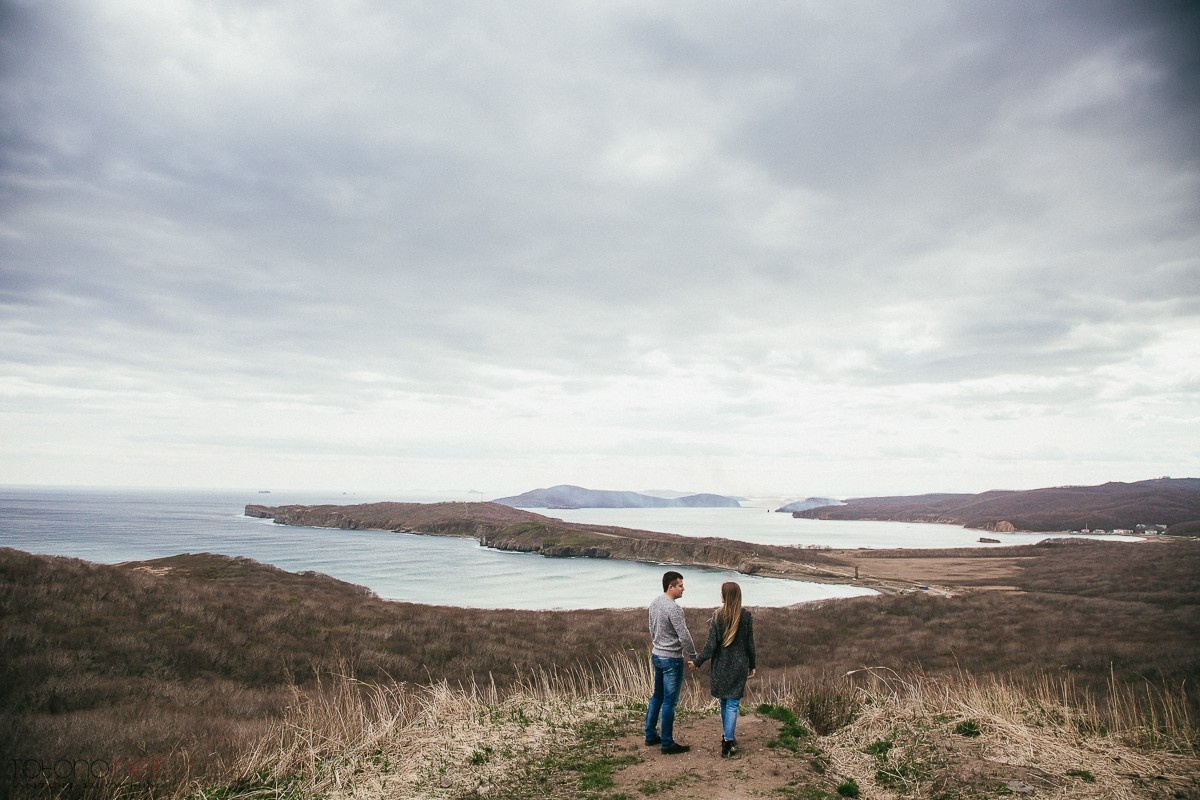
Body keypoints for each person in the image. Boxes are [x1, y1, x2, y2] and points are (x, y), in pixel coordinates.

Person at [691, 581, 756, 757]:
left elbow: (710, 646)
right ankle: (728, 740)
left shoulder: (717, 616)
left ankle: (727, 737)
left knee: (724, 702)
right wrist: (752, 665)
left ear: (725, 596)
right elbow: (750, 644)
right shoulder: (746, 616)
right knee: (732, 703)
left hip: (721, 666)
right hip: (739, 666)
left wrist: (697, 662)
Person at [645, 570, 697, 755]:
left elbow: (651, 628)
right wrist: (694, 656)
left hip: (657, 655)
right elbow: (684, 635)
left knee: (657, 696)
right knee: (669, 702)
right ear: (671, 587)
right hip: (671, 659)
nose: (683, 588)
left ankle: (650, 734)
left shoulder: (654, 603)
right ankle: (667, 743)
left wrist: (658, 643)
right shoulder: (674, 609)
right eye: (680, 585)